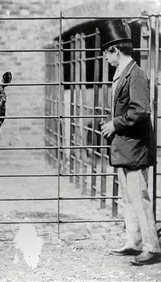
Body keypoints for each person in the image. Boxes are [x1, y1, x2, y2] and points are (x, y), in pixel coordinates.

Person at [99, 18, 161, 265]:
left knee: (139, 196)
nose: (105, 58)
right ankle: (134, 242)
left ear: (114, 50)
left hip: (134, 147)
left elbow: (141, 111)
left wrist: (115, 123)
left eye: (106, 54)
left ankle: (152, 246)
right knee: (127, 197)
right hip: (125, 147)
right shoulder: (122, 73)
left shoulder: (135, 75)